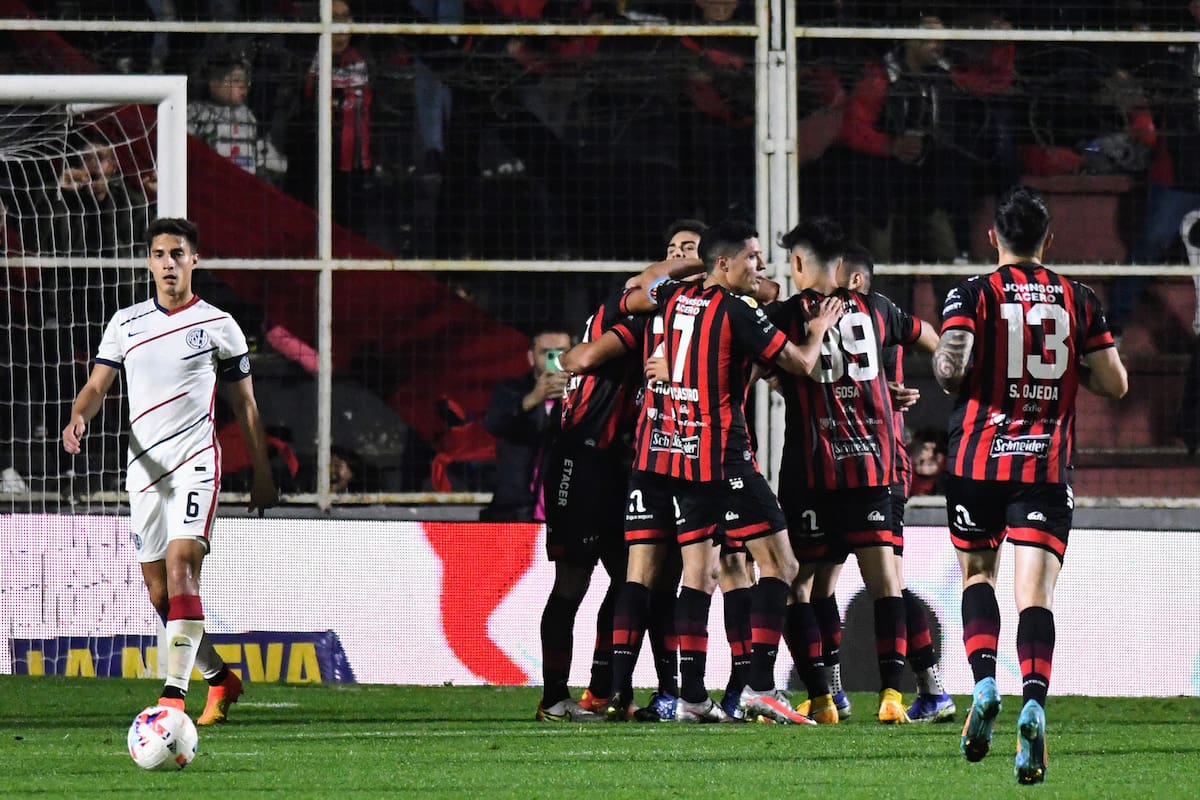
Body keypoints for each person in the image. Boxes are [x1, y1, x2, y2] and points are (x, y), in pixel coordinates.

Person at [933, 185, 1128, 784]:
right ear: (1050, 240)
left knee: (977, 576)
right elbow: (1115, 384)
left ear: (992, 237)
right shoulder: (1079, 297)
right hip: (1043, 468)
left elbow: (949, 369)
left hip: (976, 464)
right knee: (1035, 596)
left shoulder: (971, 294)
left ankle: (986, 684)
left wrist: (963, 372)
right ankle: (1035, 702)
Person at [616, 219, 838, 724]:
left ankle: (692, 697)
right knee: (780, 565)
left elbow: (642, 281)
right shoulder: (738, 311)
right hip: (724, 458)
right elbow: (801, 364)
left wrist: (701, 263)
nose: (759, 265)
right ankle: (761, 685)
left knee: (701, 573)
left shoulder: (674, 295)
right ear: (724, 263)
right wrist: (818, 330)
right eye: (751, 257)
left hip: (678, 457)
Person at [61, 217, 278, 725]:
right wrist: (78, 415)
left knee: (183, 568)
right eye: (159, 254)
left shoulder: (220, 325)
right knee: (160, 592)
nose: (168, 263)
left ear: (194, 261)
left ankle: (172, 698)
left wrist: (263, 473)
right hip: (143, 470)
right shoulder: (126, 322)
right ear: (149, 261)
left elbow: (245, 406)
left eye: (177, 254)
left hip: (195, 463)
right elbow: (97, 387)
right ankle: (220, 679)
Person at [768, 217, 938, 726]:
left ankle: (823, 698)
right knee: (886, 581)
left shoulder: (783, 316)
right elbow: (930, 337)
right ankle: (892, 695)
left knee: (800, 585)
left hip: (812, 471)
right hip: (872, 466)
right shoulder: (879, 308)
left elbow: (756, 369)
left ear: (798, 264)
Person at [544, 219, 707, 723]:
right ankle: (553, 698)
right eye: (675, 252)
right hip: (581, 457)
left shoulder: (684, 324)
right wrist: (570, 357)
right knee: (573, 582)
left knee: (635, 582)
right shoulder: (636, 305)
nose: (681, 261)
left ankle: (614, 691)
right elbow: (584, 356)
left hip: (623, 465)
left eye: (691, 252)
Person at [835, 243, 956, 723]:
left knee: (884, 578)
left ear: (857, 280)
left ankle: (918, 688)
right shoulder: (830, 316)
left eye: (835, 272)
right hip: (837, 462)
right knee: (838, 579)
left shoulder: (881, 313)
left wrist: (951, 371)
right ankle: (915, 690)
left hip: (880, 465)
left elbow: (930, 337)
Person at [481, 326, 572, 522]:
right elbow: (494, 423)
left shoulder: (583, 394)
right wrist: (532, 399)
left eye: (562, 352)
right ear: (531, 357)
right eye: (548, 353)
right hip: (516, 510)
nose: (556, 359)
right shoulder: (512, 390)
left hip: (565, 509)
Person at [188, 56, 287, 185]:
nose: (242, 86)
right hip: (213, 182)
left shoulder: (247, 115)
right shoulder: (198, 111)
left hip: (245, 183)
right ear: (213, 83)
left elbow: (257, 152)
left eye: (246, 82)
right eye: (235, 81)